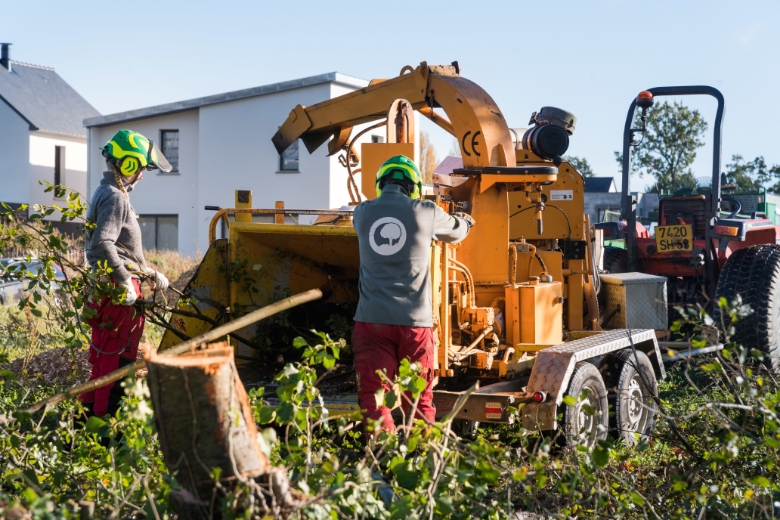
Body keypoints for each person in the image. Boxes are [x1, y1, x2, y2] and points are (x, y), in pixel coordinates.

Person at [352, 154, 474, 433]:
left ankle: (382, 460)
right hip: (414, 326)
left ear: (381, 183)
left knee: (375, 398)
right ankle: (421, 463)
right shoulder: (426, 212)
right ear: (414, 186)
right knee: (418, 401)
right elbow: (457, 232)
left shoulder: (362, 212)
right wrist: (466, 221)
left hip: (372, 323)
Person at [80, 129, 172, 418]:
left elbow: (118, 248)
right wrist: (124, 281)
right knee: (115, 365)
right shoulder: (116, 197)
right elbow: (103, 243)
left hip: (108, 284)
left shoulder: (104, 192)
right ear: (127, 164)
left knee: (104, 362)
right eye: (141, 168)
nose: (142, 175)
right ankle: (104, 431)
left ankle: (84, 427)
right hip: (116, 289)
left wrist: (147, 272)